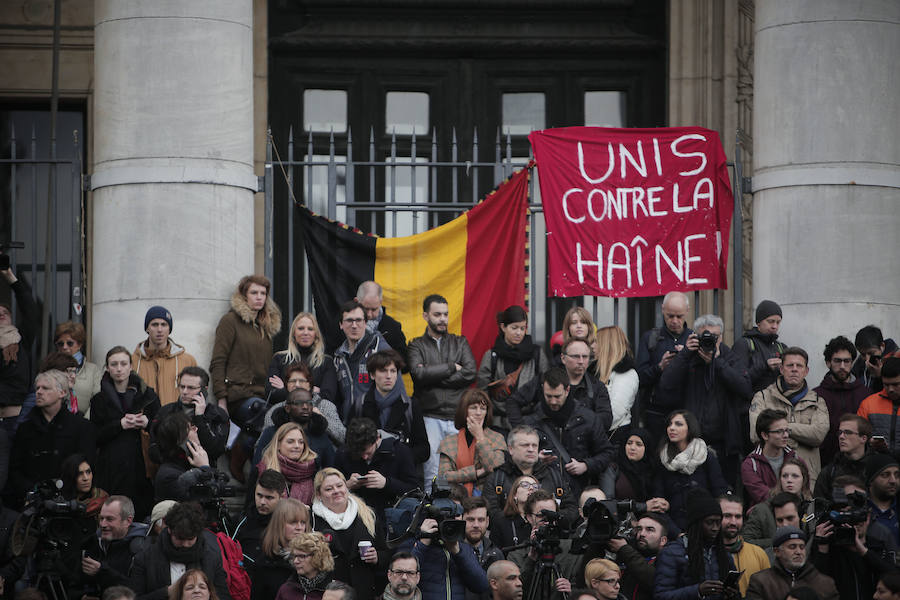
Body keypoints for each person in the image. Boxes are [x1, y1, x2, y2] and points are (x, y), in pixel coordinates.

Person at [658, 314, 753, 483]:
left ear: (722, 337)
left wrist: (717, 363)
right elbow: (666, 384)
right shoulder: (689, 357)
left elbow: (745, 388)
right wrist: (686, 353)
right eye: (705, 336)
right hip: (690, 441)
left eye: (715, 337)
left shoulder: (729, 357)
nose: (711, 341)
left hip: (725, 442)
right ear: (695, 336)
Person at [408, 294, 477, 486]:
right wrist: (451, 367)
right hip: (429, 417)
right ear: (425, 316)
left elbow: (471, 373)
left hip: (458, 417)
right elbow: (418, 375)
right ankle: (432, 515)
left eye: (445, 314)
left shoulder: (460, 342)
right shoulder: (416, 345)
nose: (443, 319)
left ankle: (462, 515)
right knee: (432, 475)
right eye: (437, 314)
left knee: (461, 473)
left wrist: (432, 376)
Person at [519, 368, 615, 496]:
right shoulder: (531, 421)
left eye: (557, 396)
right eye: (549, 396)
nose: (553, 401)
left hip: (578, 490)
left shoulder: (588, 418)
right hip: (542, 492)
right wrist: (535, 459)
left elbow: (607, 453)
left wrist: (586, 465)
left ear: (567, 390)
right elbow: (516, 457)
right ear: (542, 389)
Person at [90, 345, 161, 519]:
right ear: (107, 368)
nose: (119, 369)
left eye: (123, 363)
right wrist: (119, 425)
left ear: (131, 366)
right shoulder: (99, 400)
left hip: (141, 467)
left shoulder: (148, 395)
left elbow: (161, 428)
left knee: (139, 513)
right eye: (114, 364)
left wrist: (147, 423)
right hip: (111, 467)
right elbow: (95, 436)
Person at [8, 369, 97, 504]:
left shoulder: (82, 427)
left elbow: (86, 467)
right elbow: (15, 469)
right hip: (32, 502)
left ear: (62, 393)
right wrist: (32, 492)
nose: (39, 392)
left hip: (70, 502)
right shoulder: (25, 429)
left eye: (45, 388)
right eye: (37, 388)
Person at [749, 346, 830, 486]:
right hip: (772, 476)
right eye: (790, 365)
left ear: (806, 371)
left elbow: (818, 435)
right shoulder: (762, 397)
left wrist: (781, 428)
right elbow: (755, 435)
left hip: (807, 478)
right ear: (781, 369)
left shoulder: (817, 401)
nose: (794, 369)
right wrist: (801, 433)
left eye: (799, 366)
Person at [811, 474, 898, 600]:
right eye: (848, 504)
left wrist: (864, 551)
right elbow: (817, 589)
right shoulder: (827, 546)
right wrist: (822, 549)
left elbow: (894, 580)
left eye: (860, 503)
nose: (854, 512)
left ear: (868, 515)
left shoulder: (879, 545)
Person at [210, 274, 282, 417]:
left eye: (263, 293)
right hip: (237, 396)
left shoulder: (265, 327)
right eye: (254, 293)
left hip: (262, 395)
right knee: (267, 417)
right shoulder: (230, 321)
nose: (259, 297)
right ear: (244, 296)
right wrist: (221, 400)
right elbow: (218, 362)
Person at [311, 468, 388, 600]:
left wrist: (377, 557)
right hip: (328, 593)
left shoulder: (367, 515)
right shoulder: (311, 519)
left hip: (363, 592)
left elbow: (386, 553)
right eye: (329, 489)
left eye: (340, 485)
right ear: (319, 495)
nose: (336, 491)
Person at [129, 502, 231, 600]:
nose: (185, 545)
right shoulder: (145, 558)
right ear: (169, 530)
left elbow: (223, 595)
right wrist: (166, 592)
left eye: (190, 539)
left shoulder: (211, 558)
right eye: (180, 539)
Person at [507, 339, 613, 432]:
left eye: (585, 357)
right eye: (575, 356)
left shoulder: (597, 387)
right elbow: (513, 402)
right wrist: (521, 431)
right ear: (563, 358)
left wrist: (582, 428)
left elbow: (606, 419)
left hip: (582, 446)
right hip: (547, 443)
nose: (581, 361)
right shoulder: (546, 379)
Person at [483, 425, 578, 528]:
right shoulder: (497, 478)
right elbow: (490, 514)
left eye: (534, 445)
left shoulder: (553, 475)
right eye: (525, 445)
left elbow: (572, 510)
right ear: (510, 449)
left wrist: (549, 518)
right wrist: (521, 521)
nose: (531, 449)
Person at [345, 350, 428, 464]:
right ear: (372, 375)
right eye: (383, 371)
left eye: (393, 371)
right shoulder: (360, 404)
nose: (389, 376)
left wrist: (400, 460)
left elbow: (423, 449)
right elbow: (349, 445)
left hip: (400, 476)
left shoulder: (411, 405)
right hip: (368, 473)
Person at [651, 410, 730, 529]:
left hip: (704, 527)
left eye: (678, 424)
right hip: (674, 529)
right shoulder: (662, 459)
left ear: (690, 428)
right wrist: (677, 534)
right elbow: (658, 502)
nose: (671, 428)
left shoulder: (706, 456)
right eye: (669, 424)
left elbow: (719, 493)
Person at [653, 492, 738, 600]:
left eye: (718, 522)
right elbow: (660, 596)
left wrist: (732, 594)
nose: (715, 528)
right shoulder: (671, 553)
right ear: (696, 524)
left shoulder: (724, 554)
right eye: (710, 522)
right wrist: (697, 591)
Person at [477, 305, 548, 430]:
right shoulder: (492, 356)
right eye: (514, 328)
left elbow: (545, 388)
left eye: (522, 328)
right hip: (498, 424)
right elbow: (482, 393)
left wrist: (535, 417)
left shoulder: (536, 354)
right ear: (503, 327)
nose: (519, 333)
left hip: (529, 423)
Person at [635, 291, 693, 443]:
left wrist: (686, 358)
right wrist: (660, 366)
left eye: (679, 316)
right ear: (662, 310)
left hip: (686, 410)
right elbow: (639, 378)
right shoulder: (651, 338)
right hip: (656, 412)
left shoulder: (693, 339)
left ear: (687, 311)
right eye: (670, 316)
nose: (674, 320)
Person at [335, 417, 418, 519]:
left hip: (390, 514)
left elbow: (413, 489)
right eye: (359, 454)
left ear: (377, 439)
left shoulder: (400, 452)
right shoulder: (343, 453)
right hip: (355, 514)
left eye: (368, 452)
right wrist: (347, 485)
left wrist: (386, 483)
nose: (364, 457)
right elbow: (329, 487)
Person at [506, 490, 577, 600]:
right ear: (529, 518)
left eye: (552, 516)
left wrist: (572, 590)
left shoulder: (571, 550)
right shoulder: (516, 554)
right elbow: (514, 593)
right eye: (541, 516)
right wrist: (531, 559)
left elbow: (586, 588)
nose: (548, 521)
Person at [151, 367, 229, 464]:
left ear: (204, 390)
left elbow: (215, 451)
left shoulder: (218, 415)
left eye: (191, 388)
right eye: (182, 386)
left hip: (204, 472)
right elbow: (154, 448)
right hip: (173, 469)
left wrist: (200, 418)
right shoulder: (166, 411)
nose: (184, 392)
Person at [438, 389, 507, 495]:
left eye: (483, 408)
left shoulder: (497, 438)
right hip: (455, 499)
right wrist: (476, 473)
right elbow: (443, 478)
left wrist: (480, 437)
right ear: (464, 410)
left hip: (486, 498)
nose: (478, 413)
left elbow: (495, 469)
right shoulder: (449, 442)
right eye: (473, 408)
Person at [815, 336, 871, 466]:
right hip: (826, 464)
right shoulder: (816, 395)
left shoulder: (865, 394)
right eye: (837, 361)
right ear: (828, 363)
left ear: (852, 362)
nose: (842, 366)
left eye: (847, 361)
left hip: (860, 464)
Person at [334, 300, 392, 423]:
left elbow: (393, 390)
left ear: (365, 323)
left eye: (359, 320)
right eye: (349, 321)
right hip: (349, 428)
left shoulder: (379, 348)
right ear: (341, 324)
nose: (354, 325)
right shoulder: (338, 357)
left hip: (375, 427)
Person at [744, 527, 839, 600]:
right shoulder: (761, 582)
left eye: (802, 547)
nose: (798, 552)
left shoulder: (825, 584)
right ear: (777, 551)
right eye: (792, 547)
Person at [267, 311, 339, 405]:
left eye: (310, 329)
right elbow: (271, 394)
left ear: (316, 334)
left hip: (317, 414)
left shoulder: (326, 362)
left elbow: (328, 397)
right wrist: (313, 391)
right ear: (294, 333)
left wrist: (286, 389)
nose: (305, 333)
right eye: (301, 328)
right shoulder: (279, 359)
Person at [132, 305, 198, 407]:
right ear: (147, 328)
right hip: (144, 421)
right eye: (154, 324)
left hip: (177, 420)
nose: (159, 329)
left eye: (164, 324)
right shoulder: (132, 361)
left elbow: (198, 393)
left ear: (169, 329)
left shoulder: (187, 360)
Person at [232, 468, 287, 589]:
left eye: (269, 498)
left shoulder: (290, 524)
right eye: (259, 495)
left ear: (282, 496)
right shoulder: (241, 521)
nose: (262, 502)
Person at [81, 495, 150, 593]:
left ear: (128, 521)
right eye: (101, 518)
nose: (103, 524)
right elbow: (76, 582)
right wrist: (82, 595)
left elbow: (138, 590)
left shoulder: (141, 548)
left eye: (109, 519)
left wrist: (102, 571)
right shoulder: (95, 542)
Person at [741, 408, 805, 507]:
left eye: (787, 430)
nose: (786, 435)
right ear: (765, 435)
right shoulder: (750, 464)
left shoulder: (796, 459)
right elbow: (762, 496)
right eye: (779, 431)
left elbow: (805, 492)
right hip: (765, 517)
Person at [0, 265, 38, 426]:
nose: (1, 315)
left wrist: (11, 278)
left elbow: (30, 310)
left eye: (5, 312)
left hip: (16, 420)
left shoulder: (21, 340)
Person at [598, 428, 669, 513]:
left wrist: (662, 504)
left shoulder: (653, 469)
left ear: (647, 448)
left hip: (648, 520)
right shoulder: (613, 468)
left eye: (639, 444)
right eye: (629, 443)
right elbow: (608, 503)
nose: (632, 448)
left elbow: (658, 495)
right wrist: (644, 507)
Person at [253, 499, 311, 600]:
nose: (299, 528)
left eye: (302, 522)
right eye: (293, 522)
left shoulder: (315, 560)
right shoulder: (264, 564)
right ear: (279, 524)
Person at [250, 422, 319, 506]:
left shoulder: (313, 470)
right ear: (278, 444)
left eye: (301, 442)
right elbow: (251, 507)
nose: (297, 446)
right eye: (290, 442)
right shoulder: (262, 469)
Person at [153, 411, 216, 502]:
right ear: (180, 440)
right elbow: (207, 499)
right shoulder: (168, 476)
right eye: (190, 428)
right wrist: (205, 469)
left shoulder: (191, 462)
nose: (196, 429)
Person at [591, 325, 638, 443]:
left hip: (614, 437)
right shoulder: (595, 371)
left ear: (606, 345)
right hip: (598, 434)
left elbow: (616, 411)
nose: (592, 346)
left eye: (596, 342)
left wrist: (589, 426)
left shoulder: (626, 373)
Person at [605, 512, 668, 600]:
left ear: (663, 540)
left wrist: (624, 549)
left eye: (649, 530)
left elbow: (653, 579)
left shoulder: (670, 560)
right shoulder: (624, 555)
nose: (642, 534)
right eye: (639, 529)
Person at [718, 494, 769, 597]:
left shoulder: (758, 554)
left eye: (738, 516)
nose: (733, 522)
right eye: (727, 516)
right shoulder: (707, 554)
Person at [732, 299, 788, 394]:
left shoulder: (781, 347)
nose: (775, 326)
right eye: (770, 321)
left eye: (778, 322)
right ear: (759, 322)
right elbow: (737, 381)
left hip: (778, 404)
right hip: (751, 405)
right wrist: (765, 366)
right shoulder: (744, 345)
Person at [814, 413, 871, 501]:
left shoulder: (875, 470)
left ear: (863, 438)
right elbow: (819, 507)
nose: (841, 437)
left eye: (847, 432)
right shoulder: (829, 472)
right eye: (840, 432)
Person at [54, 321, 103, 414]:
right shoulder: (51, 368)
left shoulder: (93, 370)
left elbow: (98, 400)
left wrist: (85, 423)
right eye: (60, 344)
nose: (64, 347)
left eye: (70, 343)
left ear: (79, 345)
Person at [356, 281, 408, 364]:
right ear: (356, 301)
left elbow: (404, 361)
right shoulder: (344, 322)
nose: (369, 315)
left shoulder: (392, 327)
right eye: (365, 308)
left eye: (374, 309)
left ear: (380, 302)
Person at [742, 491, 812, 552]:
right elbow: (746, 542)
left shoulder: (811, 531)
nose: (784, 524)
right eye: (779, 520)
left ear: (800, 517)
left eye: (790, 518)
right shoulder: (762, 512)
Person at [858, 356, 900, 454]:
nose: (891, 389)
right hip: (877, 464)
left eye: (896, 384)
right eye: (886, 384)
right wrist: (868, 442)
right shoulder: (868, 404)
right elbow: (857, 435)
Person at [488, 475, 539, 551]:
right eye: (525, 485)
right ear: (515, 494)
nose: (531, 488)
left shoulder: (543, 519)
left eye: (535, 486)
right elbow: (495, 553)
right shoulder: (501, 520)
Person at [60, 453, 109, 520]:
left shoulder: (103, 500)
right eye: (79, 474)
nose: (86, 478)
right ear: (70, 477)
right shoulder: (60, 503)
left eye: (88, 472)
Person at [461, 496, 504, 572]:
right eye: (471, 520)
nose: (476, 525)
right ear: (461, 520)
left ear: (487, 522)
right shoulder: (452, 551)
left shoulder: (496, 555)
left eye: (481, 520)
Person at [865, 453, 900, 546]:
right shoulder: (861, 511)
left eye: (897, 475)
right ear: (871, 480)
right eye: (885, 475)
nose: (893, 480)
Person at [852, 325, 898, 393]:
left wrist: (880, 376)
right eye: (863, 354)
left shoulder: (896, 360)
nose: (867, 359)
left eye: (871, 353)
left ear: (882, 346)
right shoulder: (859, 363)